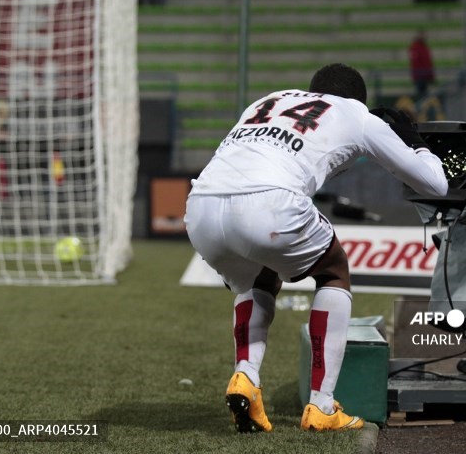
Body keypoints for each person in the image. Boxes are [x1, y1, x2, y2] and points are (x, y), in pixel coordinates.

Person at [184, 63, 448, 432]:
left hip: (201, 207)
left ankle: (246, 375)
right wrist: (414, 141)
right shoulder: (356, 114)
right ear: (358, 99)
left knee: (260, 277)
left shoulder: (270, 99)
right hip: (269, 203)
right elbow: (436, 185)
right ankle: (322, 405)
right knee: (333, 271)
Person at [408, 30, 436, 99]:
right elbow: (415, 63)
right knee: (420, 95)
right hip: (419, 75)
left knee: (425, 95)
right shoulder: (415, 47)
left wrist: (430, 75)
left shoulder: (425, 47)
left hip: (425, 75)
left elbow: (428, 62)